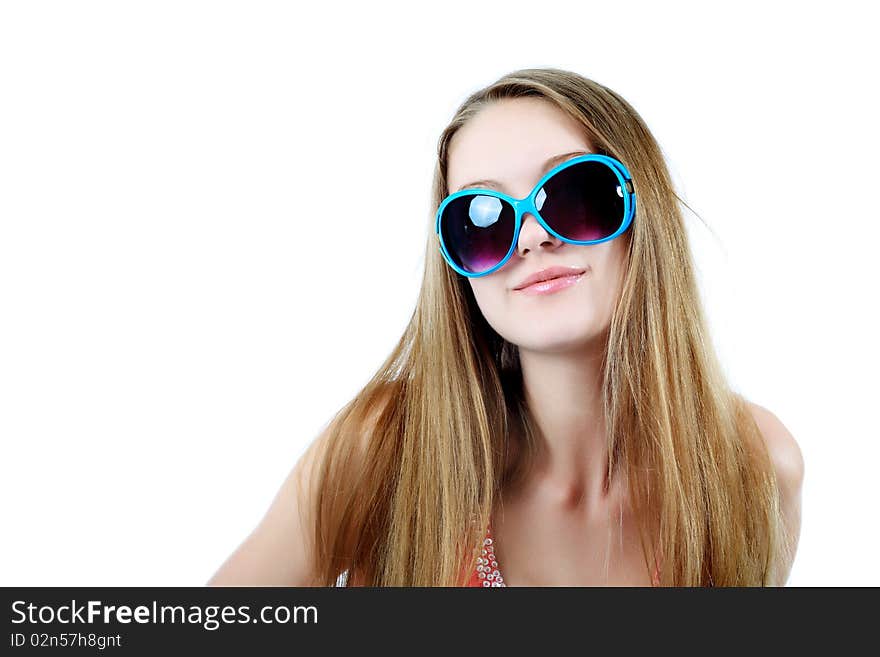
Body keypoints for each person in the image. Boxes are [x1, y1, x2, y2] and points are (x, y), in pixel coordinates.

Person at [206, 67, 804, 587]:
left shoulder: (753, 466)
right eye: (482, 219)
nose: (531, 237)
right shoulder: (382, 451)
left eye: (574, 193)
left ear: (642, 212)